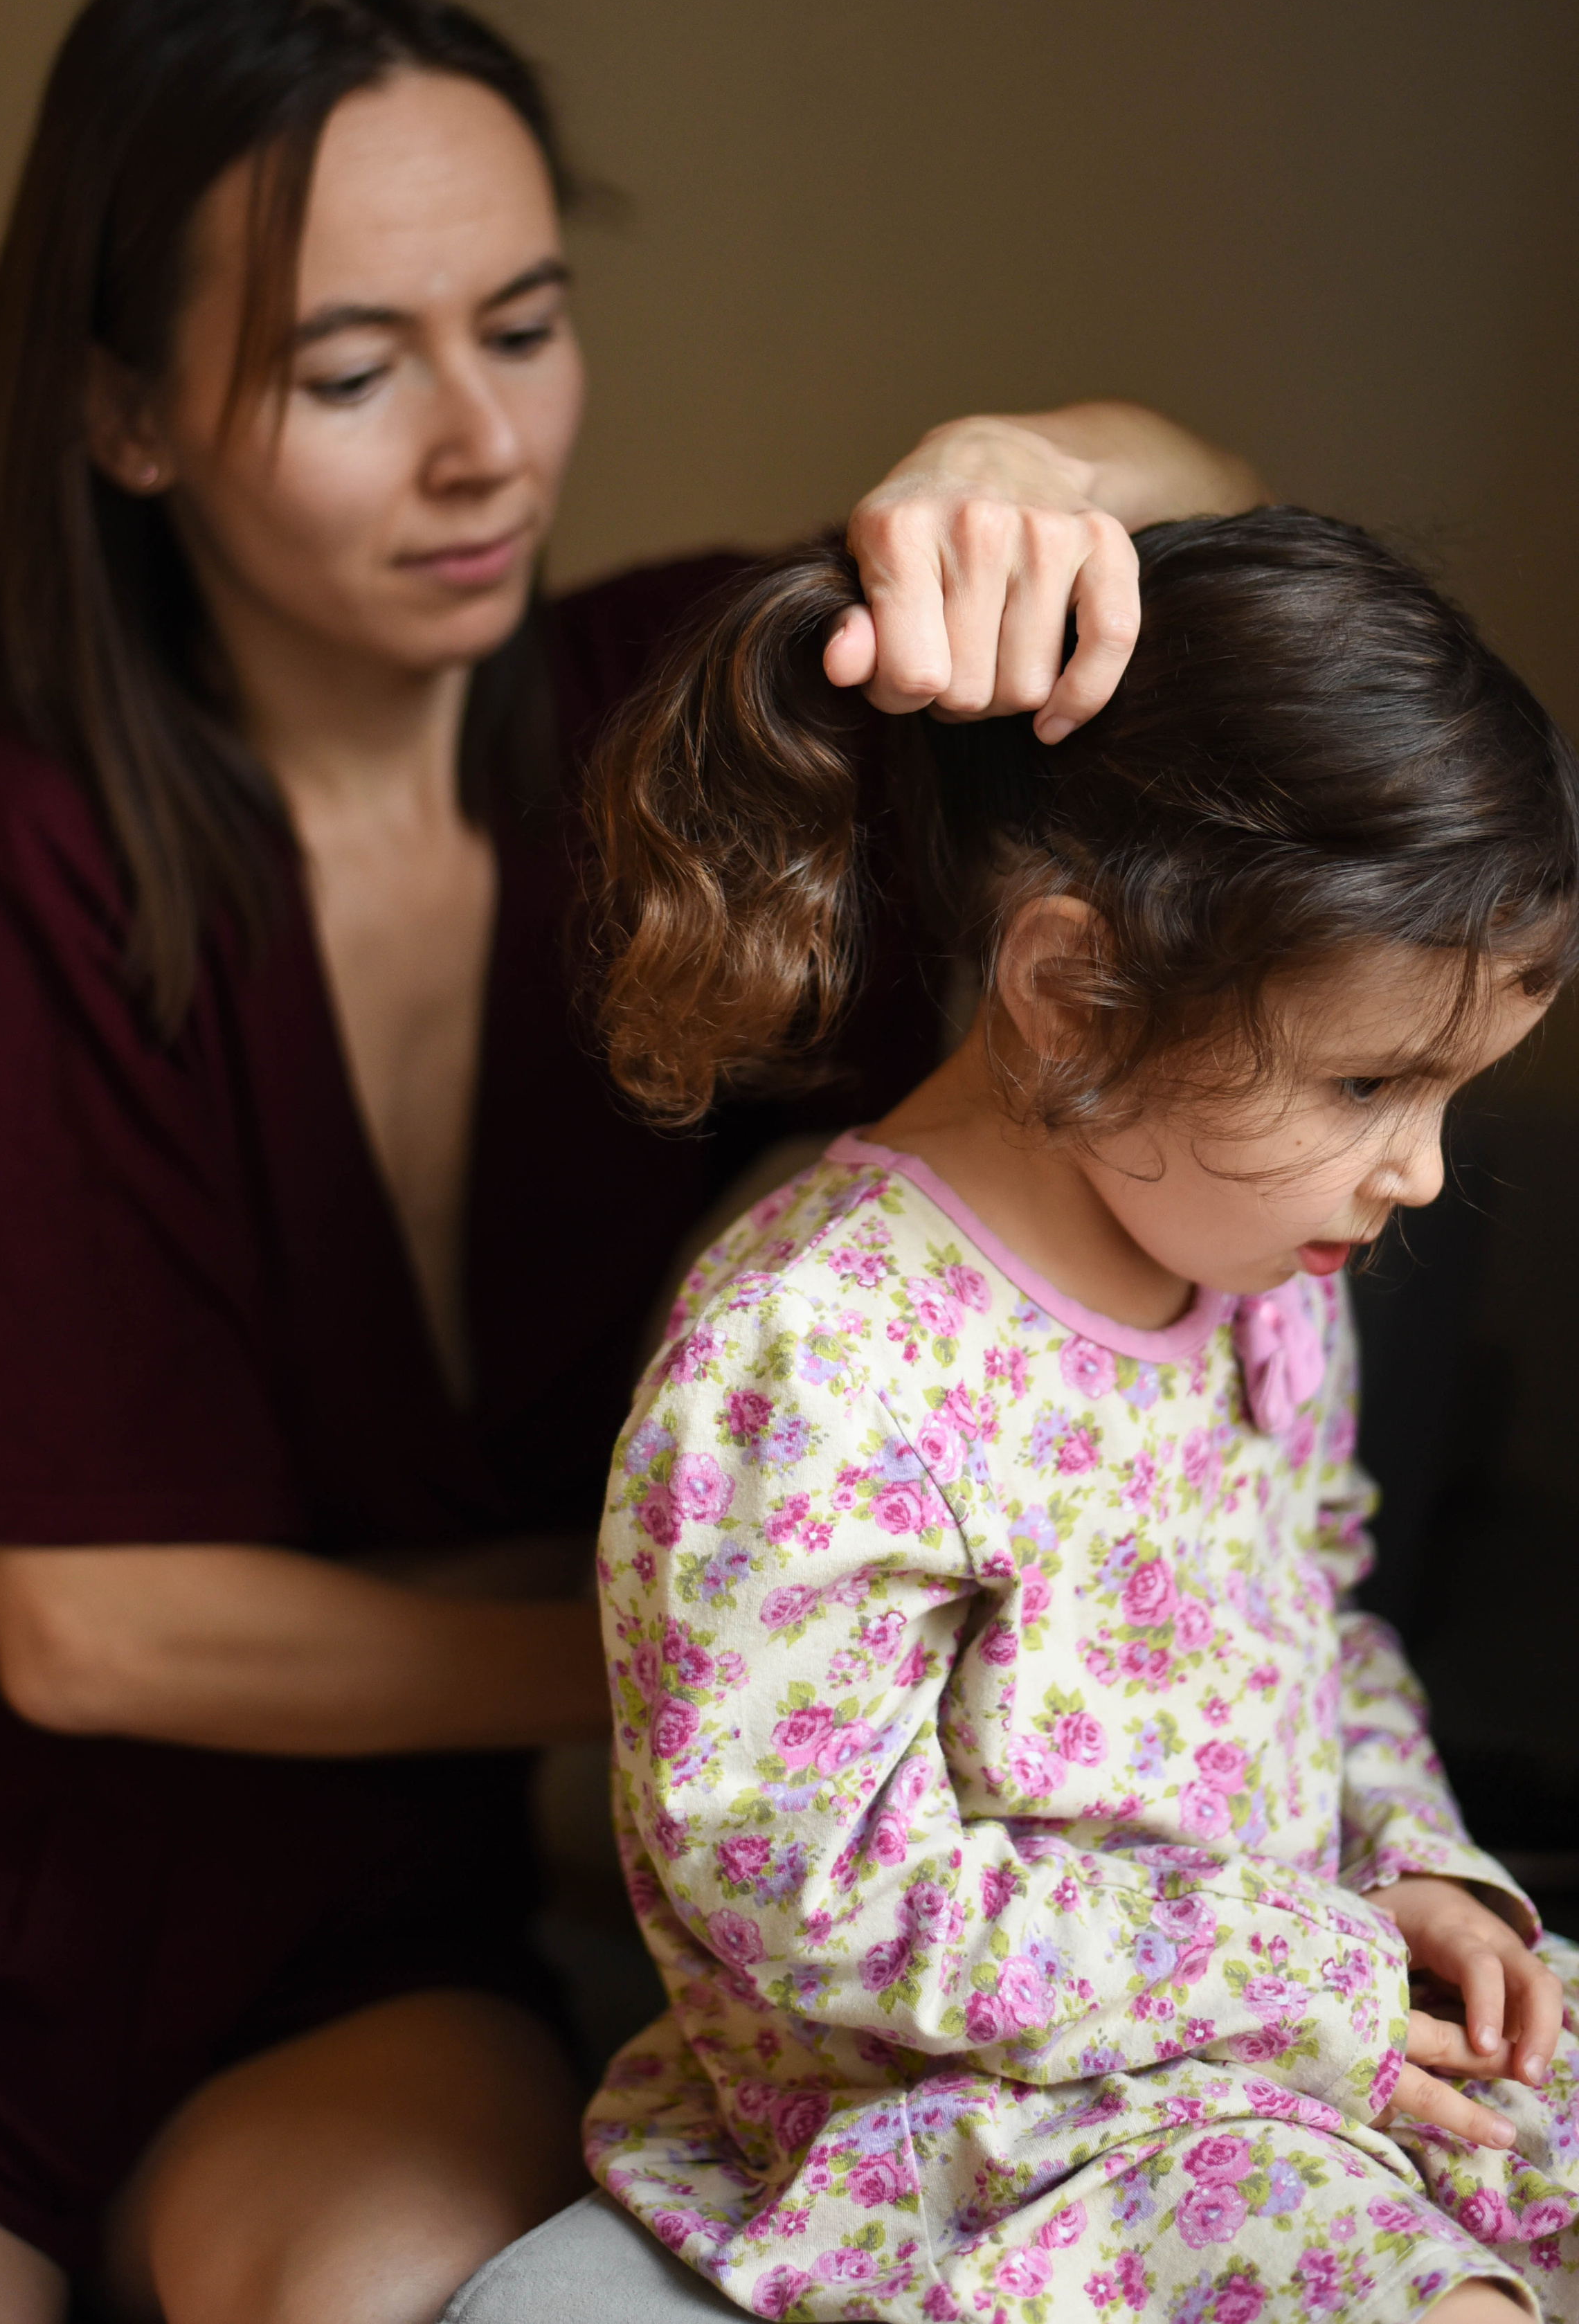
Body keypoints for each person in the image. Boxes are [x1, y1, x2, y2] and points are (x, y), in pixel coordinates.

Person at [0, 0, 1258, 2324]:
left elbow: (1211, 518)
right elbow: (93, 1634)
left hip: (375, 1941)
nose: (485, 444)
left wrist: (1027, 462)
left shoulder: (687, 754)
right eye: (354, 368)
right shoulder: (22, 846)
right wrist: (740, 1661)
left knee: (402, 2299)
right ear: (125, 419)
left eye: (526, 320)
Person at [586, 511, 1579, 2321]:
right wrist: (1293, 1973)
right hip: (995, 2107)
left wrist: (1418, 1868)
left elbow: (1322, 1623)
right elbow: (803, 1883)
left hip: (1298, 1999)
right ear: (1068, 993)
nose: (1418, 1170)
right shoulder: (822, 1354)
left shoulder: (1265, 1256)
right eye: (1370, 1080)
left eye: (1448, 1091)